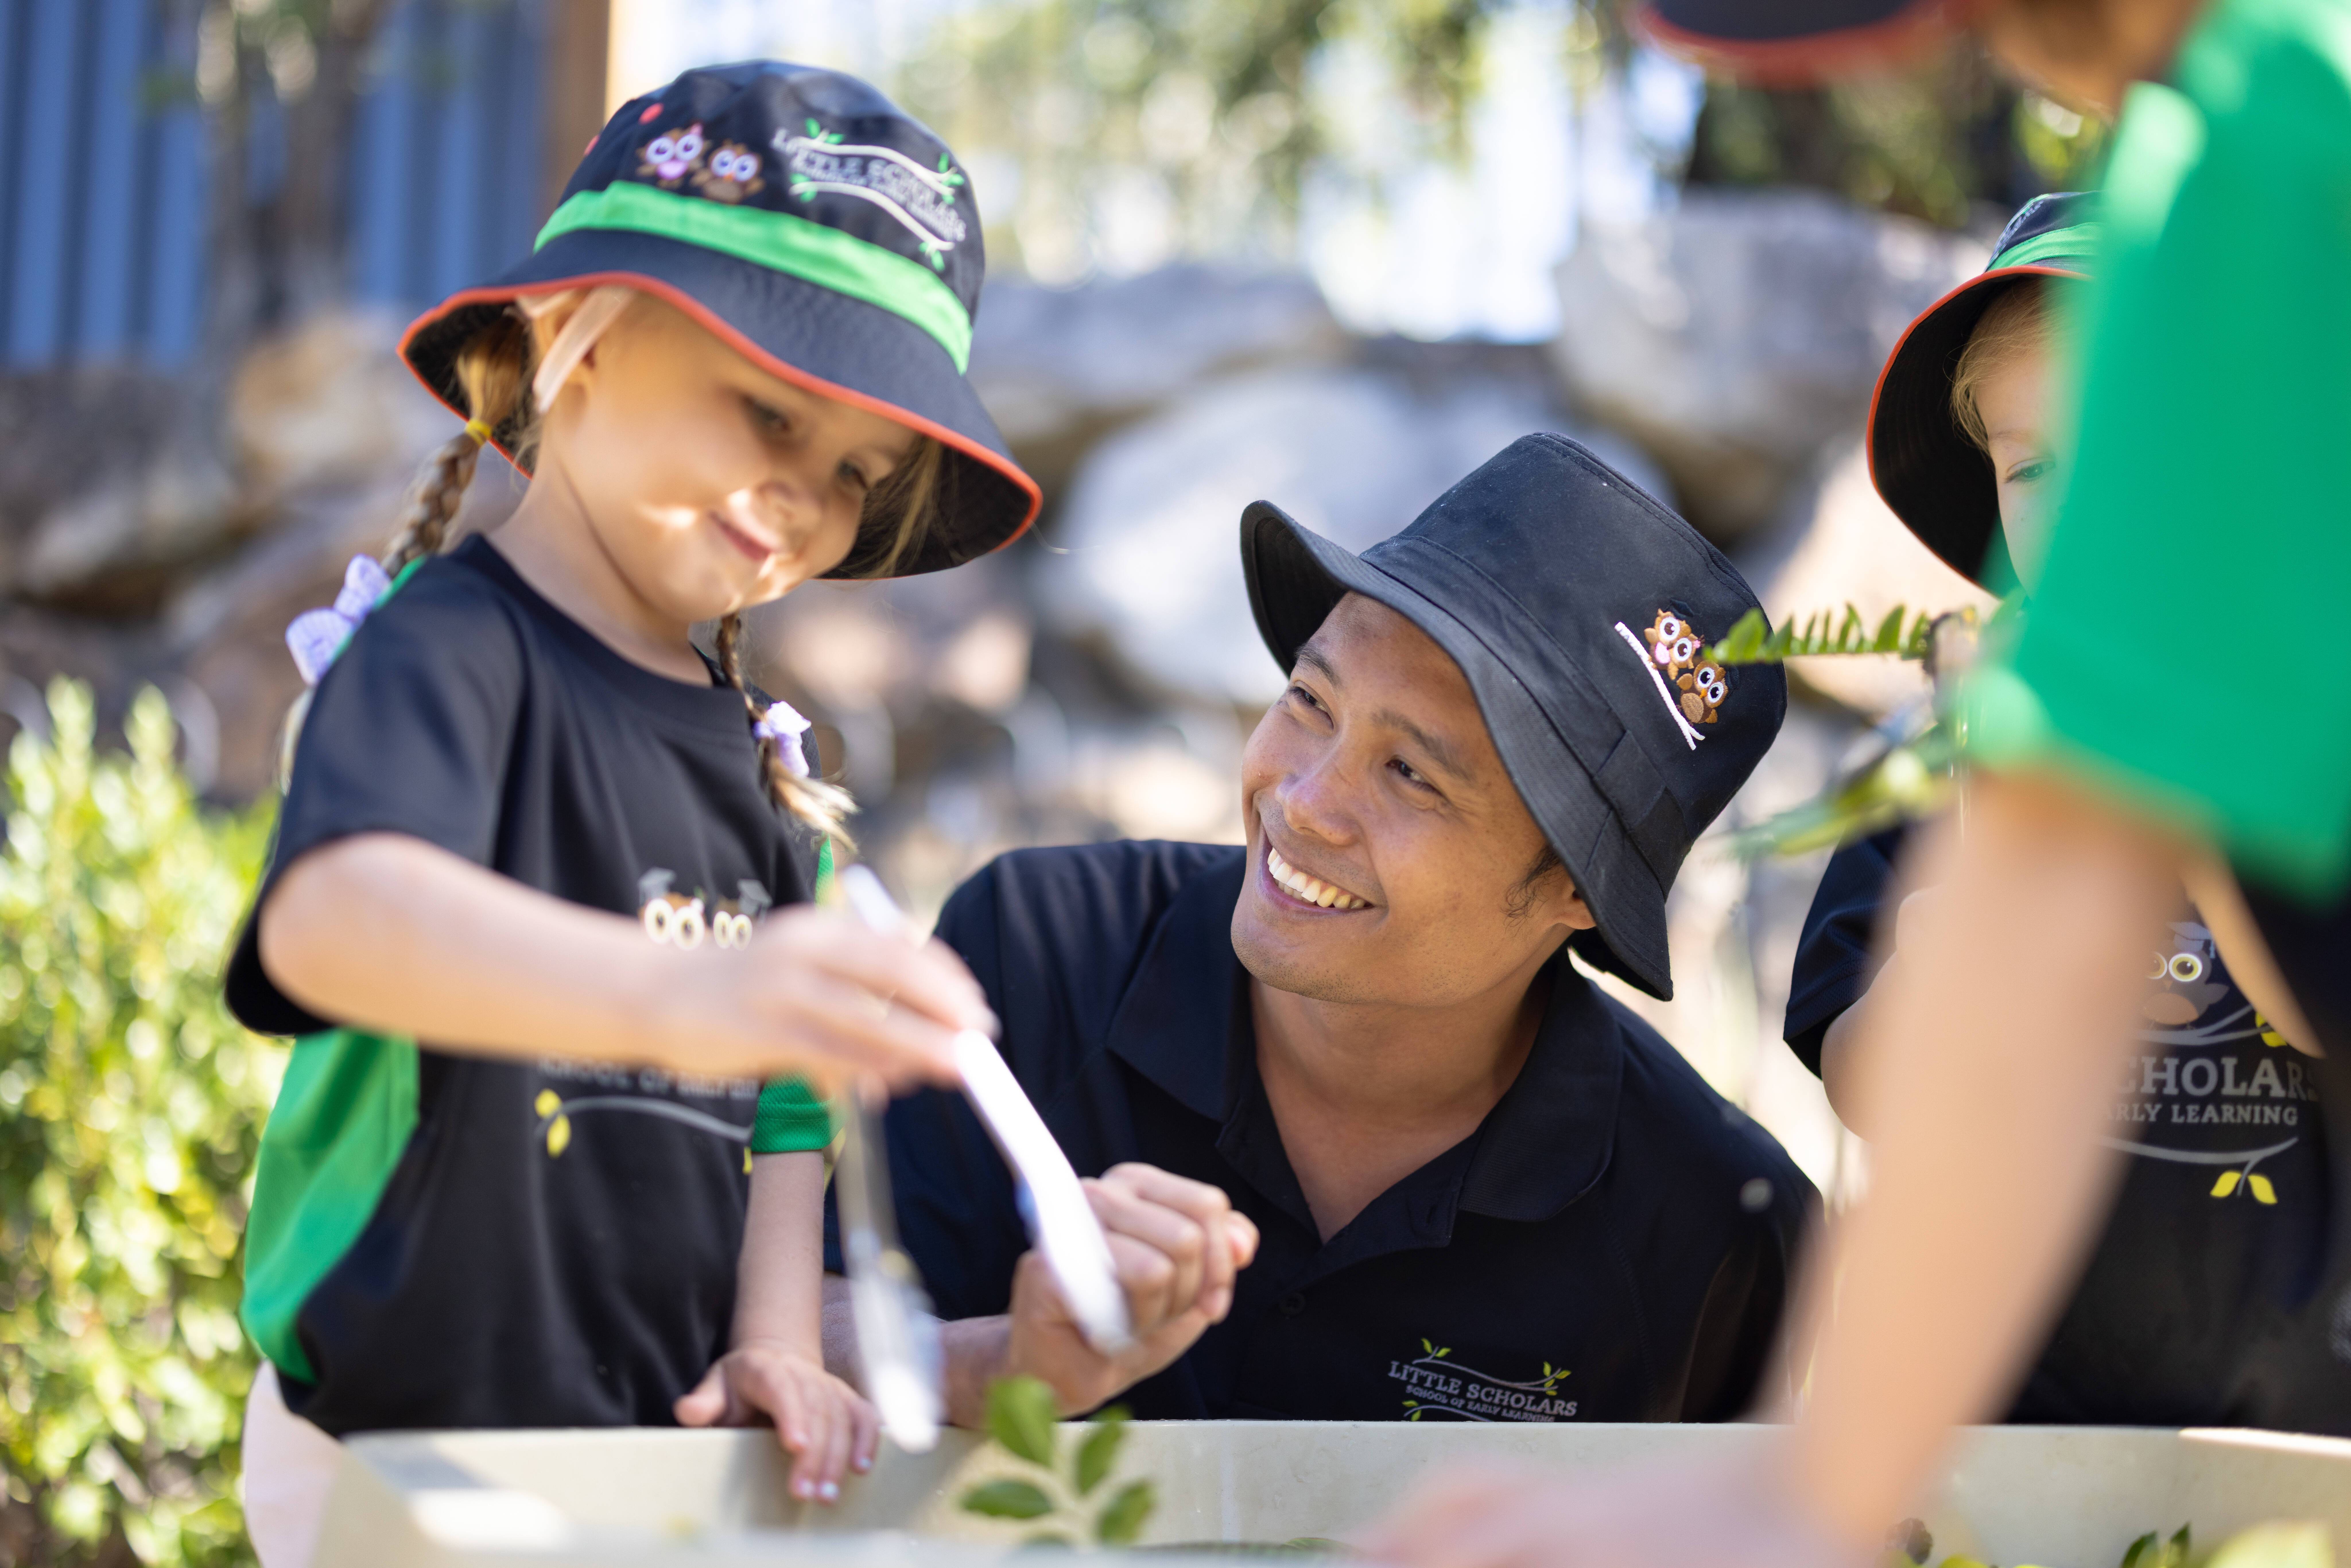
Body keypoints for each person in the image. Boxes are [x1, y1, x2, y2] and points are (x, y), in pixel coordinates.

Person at [1369, 3, 2351, 1566]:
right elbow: (2001, 975)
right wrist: (1810, 1488)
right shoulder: (2000, 762)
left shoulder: (2275, 133)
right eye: (2039, 467)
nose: (2002, 46)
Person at [224, 63, 1032, 1566]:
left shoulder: (757, 759)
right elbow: (335, 919)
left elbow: (793, 1095)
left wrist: (780, 1340)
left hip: (638, 1464)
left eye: (859, 474)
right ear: (574, 337)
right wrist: (686, 990)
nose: (804, 492)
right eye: (767, 411)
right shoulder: (447, 650)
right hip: (395, 1446)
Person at [802, 434, 1817, 1427]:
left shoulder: (1712, 1229)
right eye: (1309, 700)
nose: (1303, 802)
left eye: (1412, 774)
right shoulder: (1040, 950)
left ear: (1574, 894)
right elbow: (792, 1330)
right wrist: (1005, 1369)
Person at [1789, 189, 2348, 1434]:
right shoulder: (1946, 745)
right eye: (2032, 464)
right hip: (2022, 1436)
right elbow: (1859, 1077)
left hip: (2314, 1441)